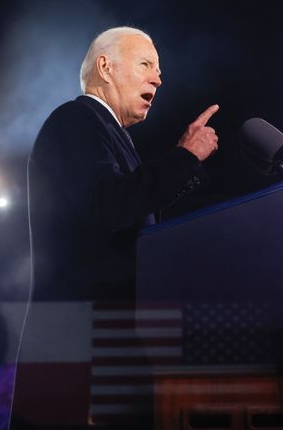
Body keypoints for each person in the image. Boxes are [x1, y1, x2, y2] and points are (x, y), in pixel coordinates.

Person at [27, 26, 219, 302]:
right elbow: (110, 206)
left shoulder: (112, 132)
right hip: (81, 327)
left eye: (159, 72)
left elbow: (135, 206)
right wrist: (184, 156)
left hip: (109, 325)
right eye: (145, 65)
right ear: (105, 68)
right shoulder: (76, 118)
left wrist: (185, 162)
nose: (158, 80)